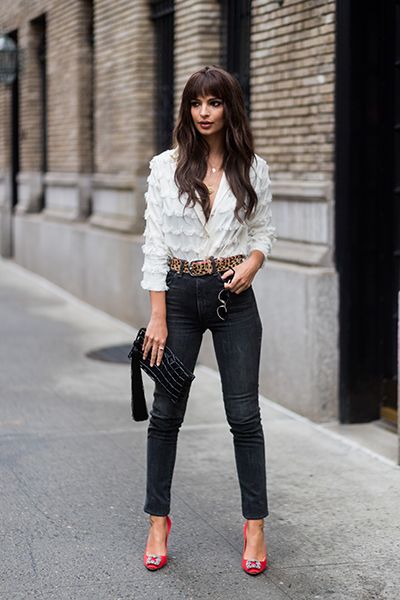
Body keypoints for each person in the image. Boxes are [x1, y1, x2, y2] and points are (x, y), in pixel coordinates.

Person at [140, 65, 277, 575]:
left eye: (214, 103)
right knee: (166, 415)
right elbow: (154, 243)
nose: (203, 112)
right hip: (177, 298)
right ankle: (158, 520)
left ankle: (255, 525)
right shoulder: (164, 168)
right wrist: (158, 315)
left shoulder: (252, 167)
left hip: (233, 298)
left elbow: (263, 230)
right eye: (196, 103)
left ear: (228, 108)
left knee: (244, 417)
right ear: (187, 109)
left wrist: (252, 262)